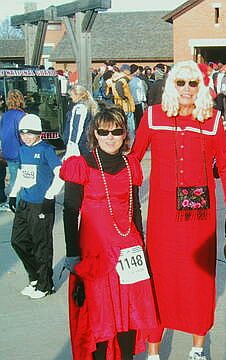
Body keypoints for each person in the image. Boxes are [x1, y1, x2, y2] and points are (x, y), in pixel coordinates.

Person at [130, 60, 226, 360]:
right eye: (181, 83)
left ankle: (198, 348)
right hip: (163, 217)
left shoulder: (213, 119)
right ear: (170, 85)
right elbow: (134, 160)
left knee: (198, 281)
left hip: (198, 217)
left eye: (193, 83)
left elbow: (225, 166)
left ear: (201, 87)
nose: (187, 89)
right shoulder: (152, 116)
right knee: (159, 279)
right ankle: (153, 351)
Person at [60, 105, 157, 360]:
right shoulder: (79, 165)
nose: (110, 137)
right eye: (104, 132)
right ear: (95, 134)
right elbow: (70, 212)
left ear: (125, 134)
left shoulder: (131, 164)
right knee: (100, 320)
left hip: (129, 252)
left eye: (116, 131)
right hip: (96, 255)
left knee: (129, 315)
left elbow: (135, 209)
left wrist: (143, 249)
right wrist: (72, 256)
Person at [9, 114, 63, 299]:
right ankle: (35, 277)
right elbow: (23, 174)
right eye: (23, 133)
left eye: (30, 133)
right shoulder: (23, 150)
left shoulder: (46, 150)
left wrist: (50, 195)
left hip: (41, 205)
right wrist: (14, 194)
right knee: (18, 240)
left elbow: (61, 174)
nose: (26, 137)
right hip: (25, 202)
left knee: (42, 246)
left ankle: (45, 284)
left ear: (39, 133)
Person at [0, 90, 25, 210]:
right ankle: (18, 205)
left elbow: (2, 134)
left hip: (8, 151)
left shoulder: (5, 116)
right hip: (19, 152)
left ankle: (13, 201)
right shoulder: (21, 116)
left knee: (13, 177)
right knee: (18, 180)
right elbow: (23, 135)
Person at [63, 85, 98, 159]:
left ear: (78, 96)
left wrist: (72, 144)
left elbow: (77, 127)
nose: (71, 97)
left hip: (80, 144)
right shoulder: (89, 106)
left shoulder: (79, 108)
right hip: (87, 141)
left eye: (72, 95)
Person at [112, 65, 136, 141]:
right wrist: (123, 97)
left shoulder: (114, 78)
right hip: (126, 105)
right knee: (130, 126)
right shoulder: (122, 79)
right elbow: (118, 86)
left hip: (119, 104)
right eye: (128, 70)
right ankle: (132, 142)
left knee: (122, 124)